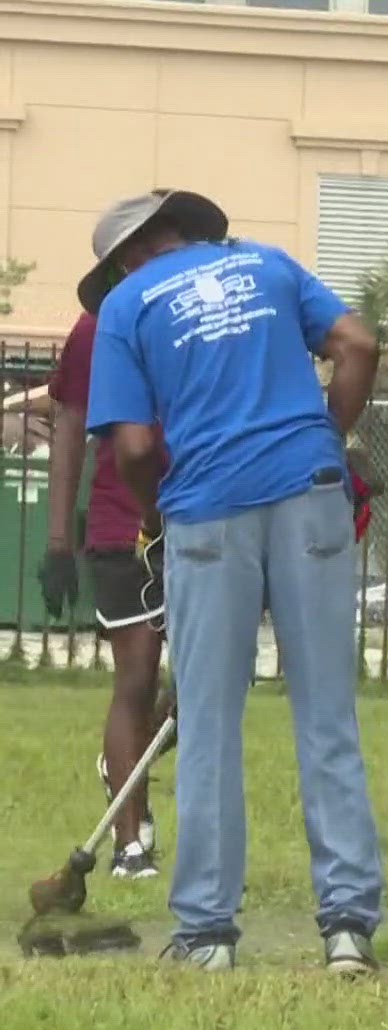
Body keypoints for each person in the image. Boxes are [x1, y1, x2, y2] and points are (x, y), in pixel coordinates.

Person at [81, 188, 384, 975]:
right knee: (328, 717)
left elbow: (137, 448)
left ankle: (208, 934)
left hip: (208, 512)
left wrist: (159, 518)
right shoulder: (268, 264)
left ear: (125, 260)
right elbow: (358, 344)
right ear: (189, 232)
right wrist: (325, 437)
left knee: (209, 724)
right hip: (310, 494)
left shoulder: (125, 309)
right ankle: (348, 928)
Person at [39, 310, 171, 880]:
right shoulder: (97, 329)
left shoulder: (200, 309)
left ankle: (122, 767)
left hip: (208, 514)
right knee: (136, 680)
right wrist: (58, 539)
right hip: (125, 525)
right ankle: (129, 843)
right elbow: (70, 424)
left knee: (212, 681)